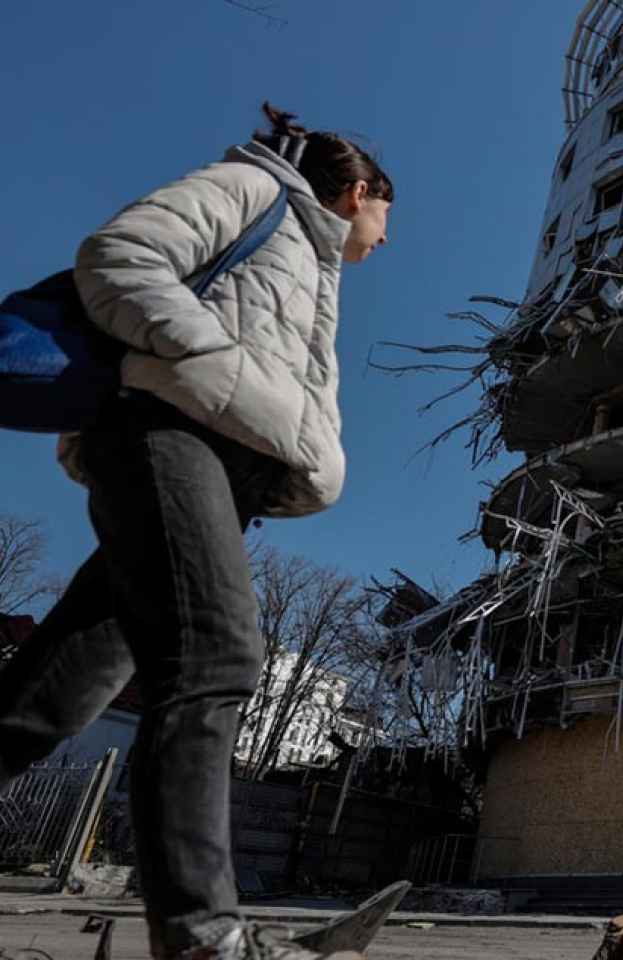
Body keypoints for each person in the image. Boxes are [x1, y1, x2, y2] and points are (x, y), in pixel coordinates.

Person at [0, 103, 391, 960]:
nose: (385, 240)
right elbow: (121, 258)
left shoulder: (316, 267)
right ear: (358, 191)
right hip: (168, 437)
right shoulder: (254, 189)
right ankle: (205, 939)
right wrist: (207, 360)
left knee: (49, 699)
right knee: (215, 657)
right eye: (384, 219)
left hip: (218, 468)